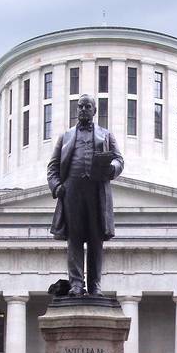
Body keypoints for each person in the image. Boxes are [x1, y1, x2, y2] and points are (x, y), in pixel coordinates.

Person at [47, 94, 124, 296]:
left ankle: (95, 285)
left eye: (87, 106)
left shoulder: (106, 135)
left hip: (97, 193)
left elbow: (119, 160)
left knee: (95, 240)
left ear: (94, 110)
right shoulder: (66, 137)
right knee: (74, 239)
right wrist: (56, 187)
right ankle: (76, 284)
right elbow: (53, 167)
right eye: (80, 106)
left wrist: (112, 169)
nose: (83, 110)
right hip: (72, 193)